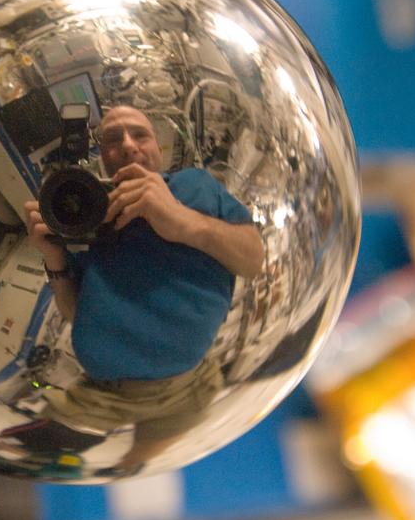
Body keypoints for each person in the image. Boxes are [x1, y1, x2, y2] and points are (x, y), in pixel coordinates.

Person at [22, 105, 264, 474]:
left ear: (159, 149)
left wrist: (183, 222)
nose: (129, 145)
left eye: (140, 134)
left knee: (138, 464)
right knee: (42, 463)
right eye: (112, 139)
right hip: (101, 396)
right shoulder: (85, 213)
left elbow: (253, 261)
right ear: (101, 156)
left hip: (186, 389)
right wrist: (54, 257)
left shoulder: (193, 186)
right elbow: (78, 312)